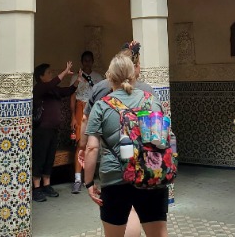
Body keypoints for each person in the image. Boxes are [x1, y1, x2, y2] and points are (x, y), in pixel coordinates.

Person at [83, 54, 168, 237]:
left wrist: (89, 182)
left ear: (109, 78)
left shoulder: (101, 106)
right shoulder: (152, 101)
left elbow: (91, 148)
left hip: (115, 179)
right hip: (152, 175)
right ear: (134, 74)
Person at [32, 61, 78, 202]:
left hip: (53, 130)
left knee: (49, 158)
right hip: (42, 131)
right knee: (40, 158)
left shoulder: (53, 89)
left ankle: (47, 185)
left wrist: (77, 81)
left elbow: (67, 91)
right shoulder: (39, 88)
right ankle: (36, 188)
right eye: (49, 73)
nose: (51, 75)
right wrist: (64, 72)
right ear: (41, 77)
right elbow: (52, 83)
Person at [70, 50, 103, 194]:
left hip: (95, 110)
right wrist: (72, 117)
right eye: (85, 60)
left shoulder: (98, 78)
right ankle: (77, 179)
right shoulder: (76, 77)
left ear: (93, 61)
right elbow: (72, 97)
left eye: (90, 60)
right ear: (82, 62)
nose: (87, 63)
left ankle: (89, 178)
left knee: (94, 143)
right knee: (80, 144)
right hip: (80, 109)